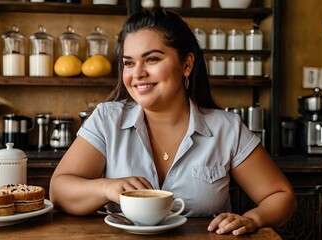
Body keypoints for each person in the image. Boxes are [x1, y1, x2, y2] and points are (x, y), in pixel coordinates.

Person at [50, 7, 296, 236]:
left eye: (152, 59)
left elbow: (281, 195)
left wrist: (254, 218)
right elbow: (59, 191)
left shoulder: (226, 128)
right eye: (129, 63)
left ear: (186, 64)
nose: (137, 74)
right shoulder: (107, 119)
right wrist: (105, 188)